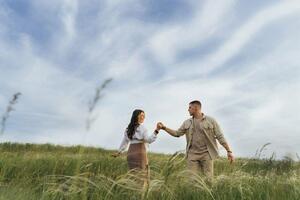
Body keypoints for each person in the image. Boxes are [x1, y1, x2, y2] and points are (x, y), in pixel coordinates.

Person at [158, 100, 234, 179]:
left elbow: (220, 136)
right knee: (192, 181)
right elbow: (177, 133)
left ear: (196, 108)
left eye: (190, 108)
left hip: (207, 154)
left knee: (208, 180)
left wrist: (229, 151)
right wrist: (164, 128)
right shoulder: (187, 122)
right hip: (192, 155)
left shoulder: (211, 121)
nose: (188, 110)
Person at [112, 109, 161, 184]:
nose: (143, 117)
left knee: (133, 176)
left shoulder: (128, 129)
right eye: (141, 115)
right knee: (142, 177)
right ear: (136, 116)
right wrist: (157, 130)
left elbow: (124, 142)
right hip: (140, 153)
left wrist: (118, 152)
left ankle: (133, 193)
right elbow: (149, 140)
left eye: (144, 116)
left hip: (130, 153)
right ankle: (142, 194)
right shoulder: (142, 128)